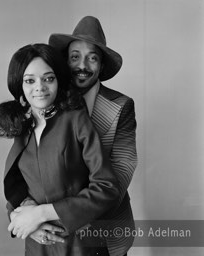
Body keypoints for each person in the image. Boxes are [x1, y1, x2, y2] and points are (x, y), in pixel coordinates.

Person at [0, 43, 121, 255]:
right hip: (38, 246)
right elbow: (15, 186)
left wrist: (41, 214)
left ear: (58, 80)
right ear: (19, 86)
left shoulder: (76, 119)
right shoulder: (22, 127)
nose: (40, 87)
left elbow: (107, 188)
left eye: (48, 78)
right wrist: (25, 221)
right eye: (30, 80)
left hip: (80, 244)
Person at [46, 16, 138, 256]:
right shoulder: (46, 100)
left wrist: (79, 214)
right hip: (54, 233)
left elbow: (124, 164)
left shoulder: (122, 105)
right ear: (65, 61)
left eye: (92, 57)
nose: (82, 65)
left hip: (105, 229)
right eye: (75, 56)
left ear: (102, 66)